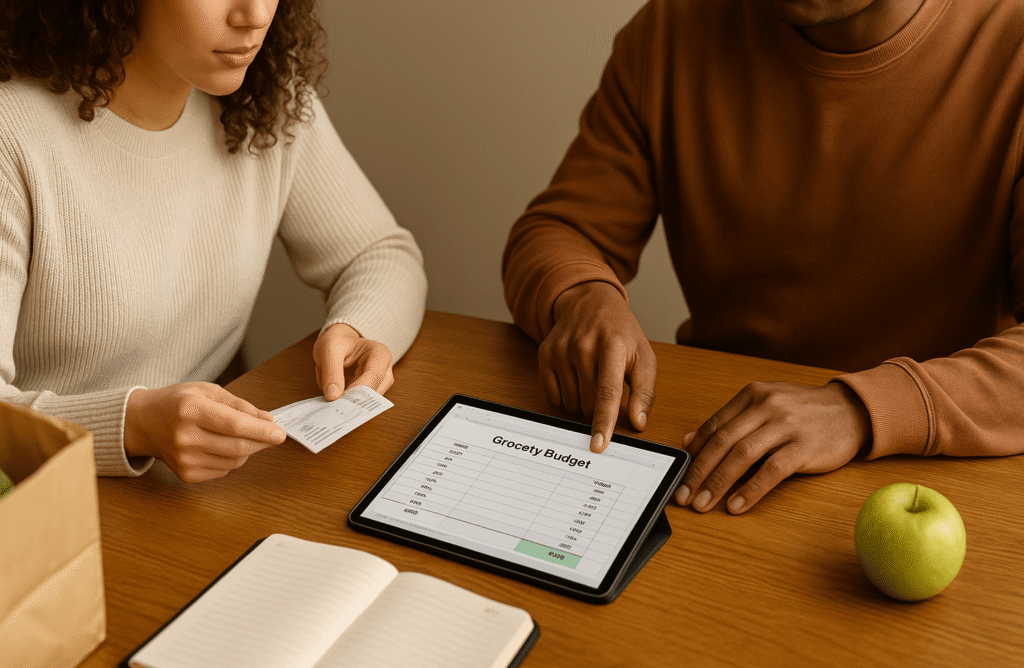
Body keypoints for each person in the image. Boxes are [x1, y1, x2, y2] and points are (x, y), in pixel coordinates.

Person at [502, 0, 1024, 514]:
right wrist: (583, 296)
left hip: (940, 474)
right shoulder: (671, 28)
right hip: (719, 454)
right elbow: (560, 230)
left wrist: (861, 409)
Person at [0, 0, 427, 483]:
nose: (256, 14)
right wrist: (133, 426)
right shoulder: (10, 135)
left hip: (189, 496)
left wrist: (358, 328)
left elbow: (380, 254)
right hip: (41, 505)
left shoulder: (271, 102)